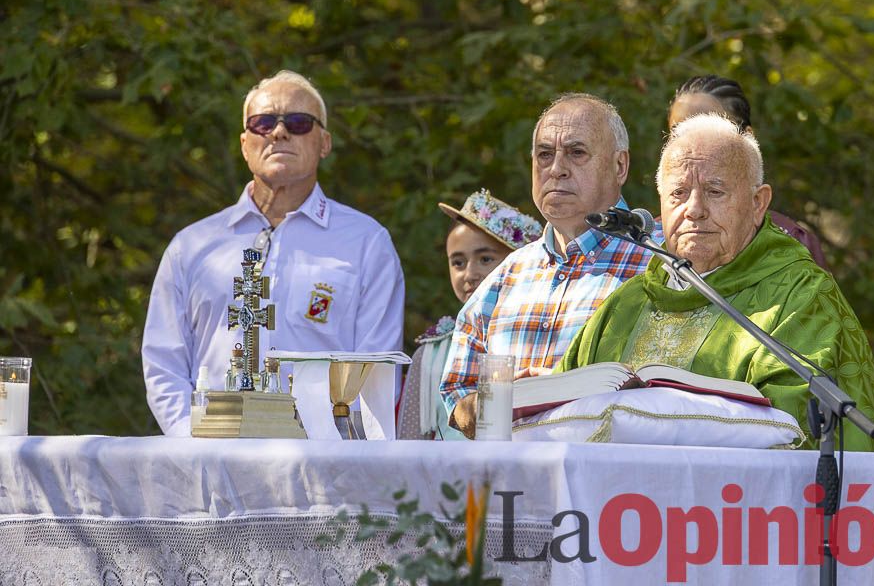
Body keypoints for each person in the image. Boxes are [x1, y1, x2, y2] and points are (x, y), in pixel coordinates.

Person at [557, 114, 874, 452]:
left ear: (758, 203)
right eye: (678, 193)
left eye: (715, 191)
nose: (694, 210)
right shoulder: (625, 306)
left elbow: (797, 432)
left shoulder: (801, 297)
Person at [142, 70, 406, 437]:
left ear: (325, 143)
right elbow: (163, 363)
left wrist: (340, 457)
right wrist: (192, 444)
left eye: (299, 122)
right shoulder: (192, 246)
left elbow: (376, 371)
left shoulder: (366, 244)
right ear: (244, 143)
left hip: (323, 468)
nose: (279, 132)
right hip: (212, 461)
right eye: (263, 123)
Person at [439, 93, 655, 437]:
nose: (556, 169)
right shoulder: (504, 277)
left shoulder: (662, 265)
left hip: (616, 481)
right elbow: (457, 394)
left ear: (620, 166)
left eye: (576, 152)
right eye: (544, 155)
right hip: (511, 483)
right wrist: (501, 399)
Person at [397, 190, 542, 440]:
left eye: (485, 259)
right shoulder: (433, 354)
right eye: (458, 263)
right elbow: (409, 443)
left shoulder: (541, 339)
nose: (469, 274)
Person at [669, 74, 830, 270]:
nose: (693, 145)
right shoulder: (650, 238)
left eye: (710, 130)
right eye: (679, 133)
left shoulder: (792, 243)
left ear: (747, 137)